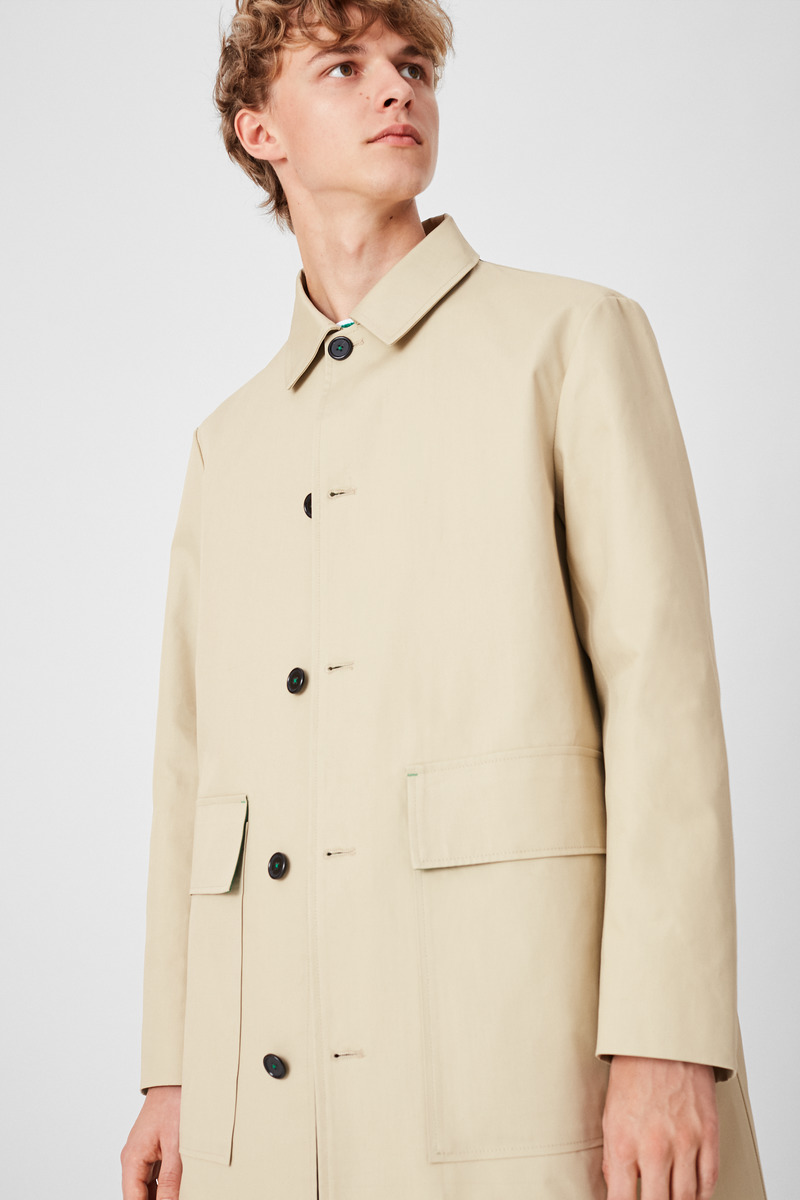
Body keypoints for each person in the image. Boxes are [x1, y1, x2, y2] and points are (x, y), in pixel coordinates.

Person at [120, 2, 768, 1198]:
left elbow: (662, 700)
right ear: (258, 128)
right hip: (268, 1101)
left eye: (412, 63)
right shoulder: (231, 443)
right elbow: (189, 775)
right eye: (344, 65)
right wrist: (172, 1071)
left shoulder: (569, 339)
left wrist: (667, 1039)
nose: (396, 89)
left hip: (520, 1055)